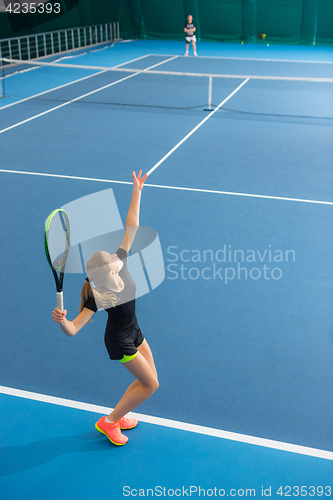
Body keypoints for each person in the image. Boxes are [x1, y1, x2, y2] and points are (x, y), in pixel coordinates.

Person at [52, 171, 159, 446]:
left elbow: (131, 227)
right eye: (110, 258)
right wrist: (62, 320)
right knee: (151, 385)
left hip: (134, 330)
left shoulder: (118, 265)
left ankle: (119, 415)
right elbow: (73, 330)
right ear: (108, 273)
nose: (115, 254)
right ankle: (109, 422)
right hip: (120, 342)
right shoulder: (99, 297)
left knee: (150, 380)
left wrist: (137, 191)